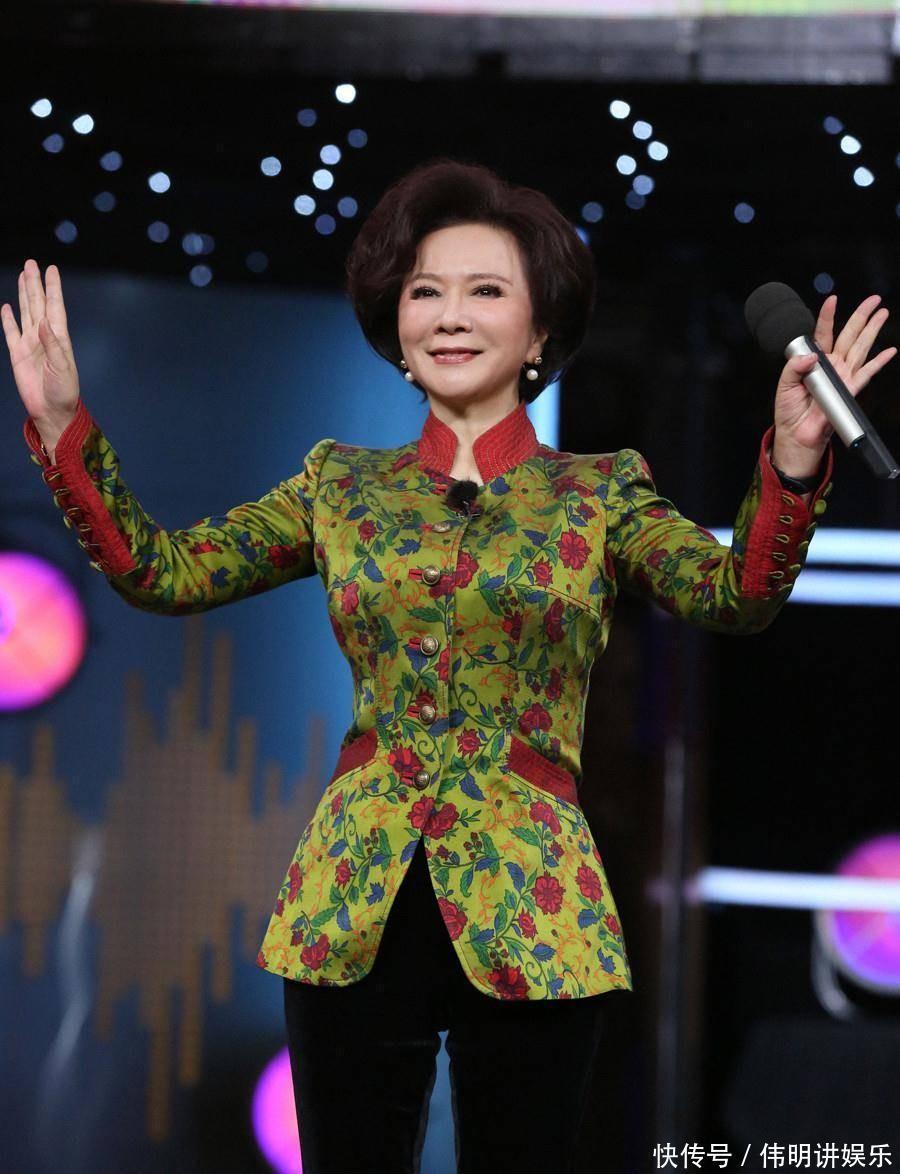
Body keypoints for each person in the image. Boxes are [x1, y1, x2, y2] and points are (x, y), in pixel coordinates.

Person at [5, 158, 895, 1174]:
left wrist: (791, 461)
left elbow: (734, 594)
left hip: (536, 901)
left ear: (541, 331)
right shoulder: (340, 485)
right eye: (425, 291)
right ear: (397, 329)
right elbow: (164, 572)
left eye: (485, 290)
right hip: (354, 896)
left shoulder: (600, 492)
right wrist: (63, 426)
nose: (450, 315)